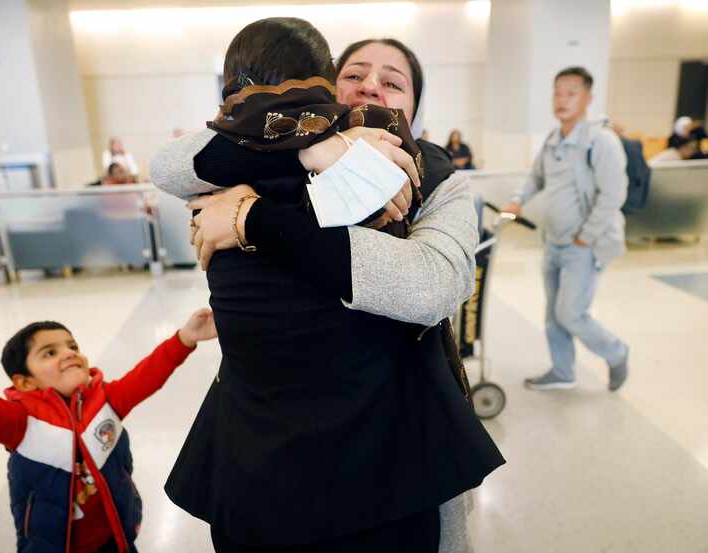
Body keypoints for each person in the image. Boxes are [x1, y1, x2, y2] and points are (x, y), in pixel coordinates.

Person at [151, 20, 503, 553]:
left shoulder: (433, 177)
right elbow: (168, 164)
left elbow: (433, 285)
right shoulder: (257, 145)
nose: (370, 87)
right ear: (321, 87)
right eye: (354, 73)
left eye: (394, 81)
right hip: (263, 437)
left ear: (414, 108)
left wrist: (252, 219)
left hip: (387, 443)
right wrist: (306, 149)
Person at [0, 309, 217, 553]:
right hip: (51, 544)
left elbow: (148, 375)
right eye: (50, 352)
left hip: (116, 534)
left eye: (72, 345)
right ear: (24, 382)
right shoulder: (20, 421)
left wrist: (184, 339)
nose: (69, 353)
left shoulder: (107, 401)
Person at [502, 66, 630, 392]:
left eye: (571, 92)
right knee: (553, 315)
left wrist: (586, 236)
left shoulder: (600, 141)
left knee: (571, 314)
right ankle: (562, 371)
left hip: (583, 245)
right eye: (557, 92)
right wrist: (518, 200)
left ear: (588, 98)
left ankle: (616, 353)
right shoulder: (553, 140)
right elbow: (536, 177)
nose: (562, 99)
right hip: (553, 241)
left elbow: (614, 193)